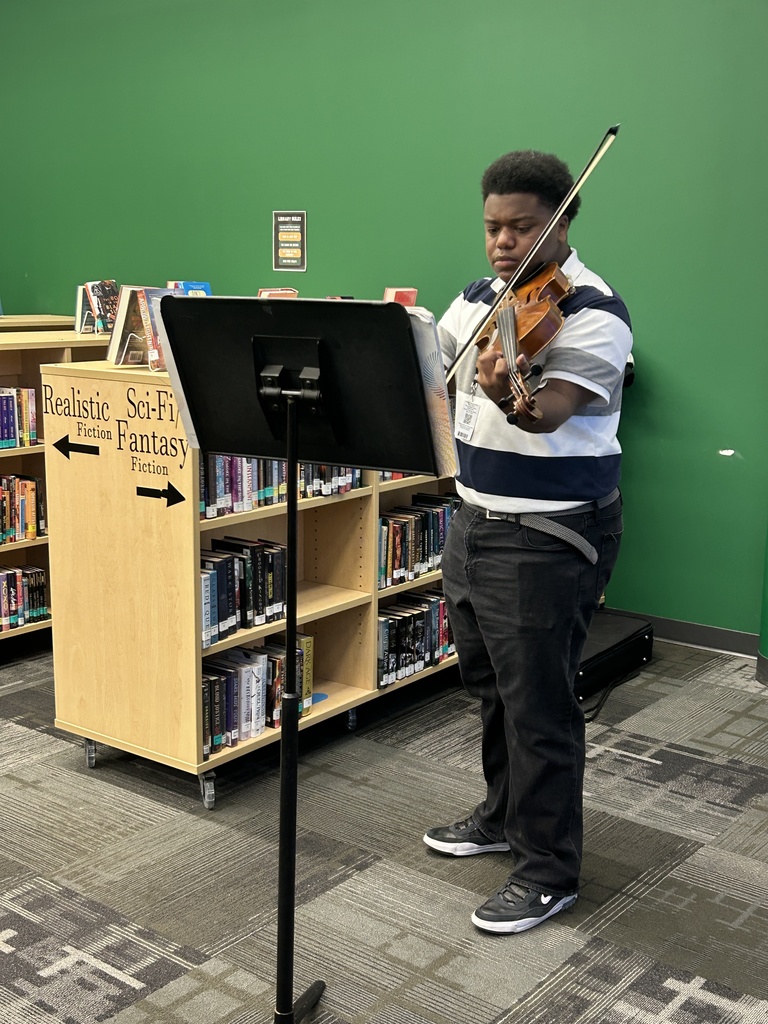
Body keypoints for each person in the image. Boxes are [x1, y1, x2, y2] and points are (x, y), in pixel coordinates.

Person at [424, 149, 632, 934]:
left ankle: (548, 871)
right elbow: (433, 362)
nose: (503, 244)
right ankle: (500, 817)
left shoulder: (593, 313)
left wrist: (508, 384)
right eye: (492, 228)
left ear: (563, 220)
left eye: (522, 226)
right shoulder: (482, 297)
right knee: (488, 690)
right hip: (475, 521)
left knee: (540, 707)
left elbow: (547, 413)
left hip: (546, 538)